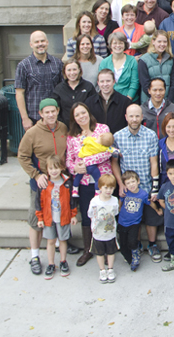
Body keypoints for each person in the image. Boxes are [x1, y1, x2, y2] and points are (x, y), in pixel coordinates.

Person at [18, 98, 69, 275]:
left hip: (60, 183)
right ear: (40, 114)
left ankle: (58, 246)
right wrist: (36, 174)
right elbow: (22, 156)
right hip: (42, 183)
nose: (50, 114)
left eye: (53, 111)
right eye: (46, 112)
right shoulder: (32, 133)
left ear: (57, 111)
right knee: (36, 219)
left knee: (57, 215)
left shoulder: (63, 128)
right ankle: (34, 256)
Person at [65, 102, 113, 265]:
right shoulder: (72, 136)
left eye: (83, 113)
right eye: (77, 115)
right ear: (74, 118)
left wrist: (86, 162)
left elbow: (107, 152)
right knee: (87, 216)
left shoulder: (102, 129)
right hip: (84, 182)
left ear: (89, 113)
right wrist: (75, 168)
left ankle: (106, 250)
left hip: (102, 180)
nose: (81, 117)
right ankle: (88, 250)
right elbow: (69, 160)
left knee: (104, 215)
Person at [112, 104, 162, 263]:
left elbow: (154, 162)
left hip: (146, 185)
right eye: (131, 116)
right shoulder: (117, 137)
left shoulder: (151, 135)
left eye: (137, 116)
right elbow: (114, 163)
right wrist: (120, 184)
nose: (134, 119)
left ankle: (152, 244)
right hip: (129, 188)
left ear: (142, 117)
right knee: (134, 220)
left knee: (151, 218)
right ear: (126, 117)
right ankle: (137, 245)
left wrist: (154, 188)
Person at [35, 154, 77, 279]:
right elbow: (39, 202)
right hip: (49, 218)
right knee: (51, 241)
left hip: (63, 216)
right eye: (51, 168)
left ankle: (63, 261)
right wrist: (40, 218)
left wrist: (73, 215)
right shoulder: (45, 184)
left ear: (62, 168)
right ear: (47, 169)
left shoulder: (67, 182)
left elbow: (72, 201)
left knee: (63, 240)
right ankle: (51, 263)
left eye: (56, 168)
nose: (54, 171)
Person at [15, 30, 64, 131]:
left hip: (55, 117)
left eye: (42, 41)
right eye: (36, 42)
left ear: (47, 42)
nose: (40, 44)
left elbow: (63, 89)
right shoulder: (23, 65)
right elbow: (19, 93)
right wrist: (25, 118)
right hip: (34, 118)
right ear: (31, 44)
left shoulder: (57, 63)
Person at [117, 170, 158, 271]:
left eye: (133, 181)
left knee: (132, 241)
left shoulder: (142, 194)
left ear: (138, 181)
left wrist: (157, 210)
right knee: (123, 245)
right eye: (128, 183)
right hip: (122, 222)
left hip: (134, 223)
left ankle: (135, 256)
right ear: (125, 184)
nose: (131, 185)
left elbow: (149, 203)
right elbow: (120, 203)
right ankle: (129, 258)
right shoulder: (125, 193)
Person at [87, 174, 120, 283]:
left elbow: (116, 212)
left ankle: (110, 269)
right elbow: (90, 214)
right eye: (106, 187)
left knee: (111, 252)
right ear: (100, 187)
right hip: (98, 232)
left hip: (110, 233)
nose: (108, 190)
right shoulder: (95, 201)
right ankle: (102, 270)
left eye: (111, 188)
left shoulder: (114, 200)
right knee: (99, 253)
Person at [52, 59, 97, 126]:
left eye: (74, 69)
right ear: (64, 71)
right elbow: (56, 110)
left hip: (86, 126)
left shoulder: (88, 87)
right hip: (66, 128)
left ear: (79, 70)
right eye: (69, 70)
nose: (72, 73)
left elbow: (94, 108)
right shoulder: (59, 89)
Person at [138, 30, 174, 104]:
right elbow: (145, 84)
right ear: (153, 41)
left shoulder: (170, 59)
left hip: (169, 102)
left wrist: (168, 101)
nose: (162, 44)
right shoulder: (143, 60)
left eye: (165, 42)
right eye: (159, 41)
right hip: (149, 102)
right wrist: (157, 100)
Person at [86, 68, 131, 134]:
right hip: (96, 140)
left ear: (113, 82)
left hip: (118, 140)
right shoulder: (89, 102)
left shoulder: (125, 102)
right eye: (102, 81)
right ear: (98, 83)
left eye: (108, 81)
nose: (105, 84)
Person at [98, 32, 139, 102]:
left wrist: (127, 100)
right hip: (109, 101)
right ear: (110, 45)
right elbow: (101, 82)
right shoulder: (104, 62)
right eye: (115, 43)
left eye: (120, 43)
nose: (118, 45)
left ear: (125, 45)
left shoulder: (132, 61)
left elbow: (134, 83)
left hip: (129, 100)